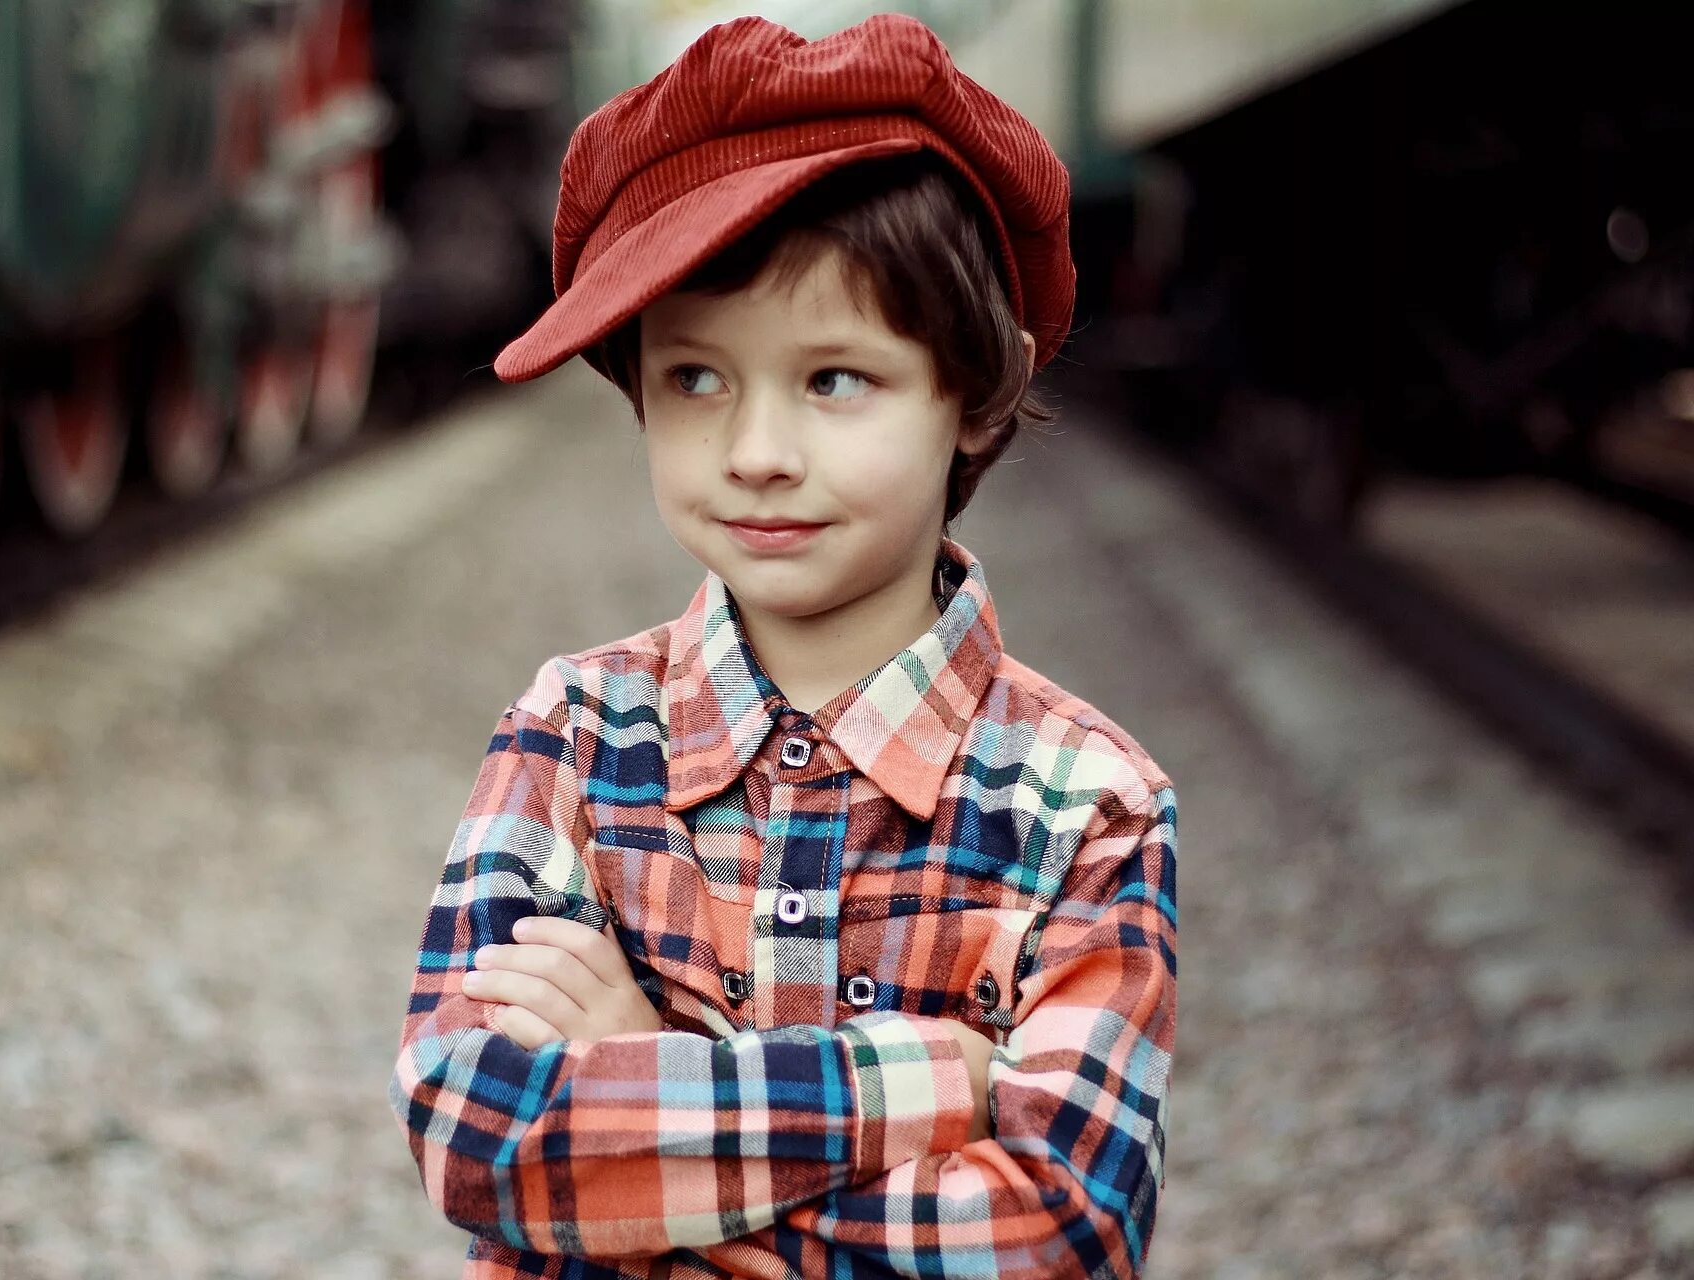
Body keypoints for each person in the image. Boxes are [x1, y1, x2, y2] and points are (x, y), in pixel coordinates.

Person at [387, 14, 1177, 1279]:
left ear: (976, 395)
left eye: (834, 379)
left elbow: (1060, 1236)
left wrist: (649, 1083)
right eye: (697, 378)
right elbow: (476, 1135)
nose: (756, 450)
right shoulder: (575, 731)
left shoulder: (1088, 804)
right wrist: (936, 1088)